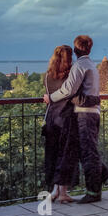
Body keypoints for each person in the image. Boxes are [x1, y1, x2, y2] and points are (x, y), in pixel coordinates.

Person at [44, 35, 108, 204]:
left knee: (88, 153)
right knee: (85, 151)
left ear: (77, 48)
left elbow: (67, 90)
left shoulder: (80, 66)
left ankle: (94, 192)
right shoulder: (90, 65)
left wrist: (50, 98)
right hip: (92, 111)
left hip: (84, 113)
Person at [43, 45, 80, 204]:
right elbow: (73, 95)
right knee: (67, 155)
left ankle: (54, 191)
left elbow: (49, 96)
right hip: (67, 119)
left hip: (52, 119)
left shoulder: (48, 75)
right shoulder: (71, 75)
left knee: (53, 154)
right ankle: (63, 192)